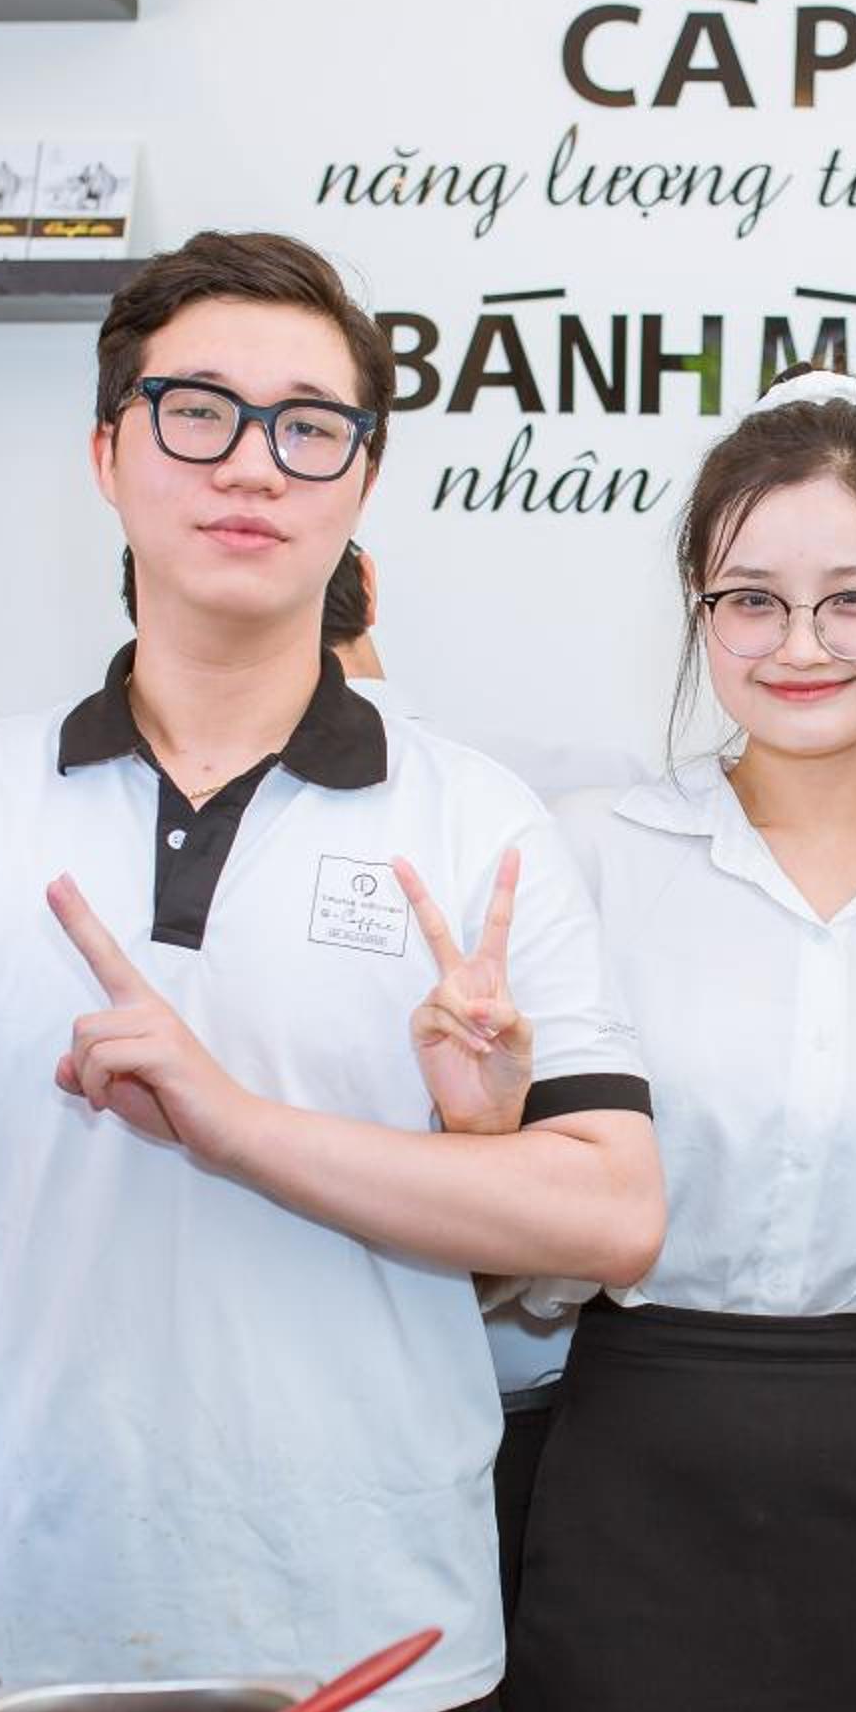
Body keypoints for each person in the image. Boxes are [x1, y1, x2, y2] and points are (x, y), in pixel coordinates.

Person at [0, 230, 663, 1712]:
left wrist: (237, 1123)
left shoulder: (474, 822)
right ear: (108, 453)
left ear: (363, 480)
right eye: (196, 411)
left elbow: (610, 1213)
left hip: (384, 1645)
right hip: (33, 1637)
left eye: (308, 426)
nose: (252, 464)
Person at [503, 370, 856, 1712]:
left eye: (854, 600)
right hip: (630, 1475)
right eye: (752, 600)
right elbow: (520, 1227)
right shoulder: (586, 858)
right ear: (699, 612)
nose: (801, 644)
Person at [314, 537, 653, 1638]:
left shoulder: (514, 807)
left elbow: (599, 1215)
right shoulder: (554, 797)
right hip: (513, 1396)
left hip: (481, 1403)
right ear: (371, 582)